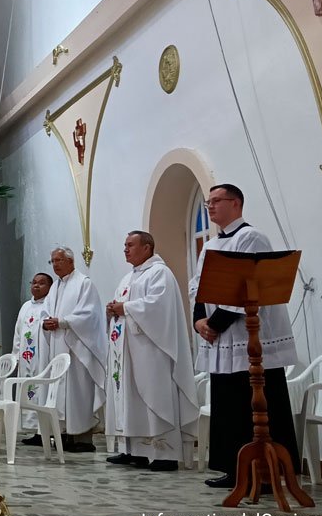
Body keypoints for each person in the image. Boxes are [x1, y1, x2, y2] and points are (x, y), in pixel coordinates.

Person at [189, 184, 300, 488]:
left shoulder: (251, 237)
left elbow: (248, 286)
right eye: (208, 202)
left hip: (248, 335)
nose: (210, 207)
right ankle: (234, 468)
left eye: (216, 201)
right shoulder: (211, 245)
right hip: (222, 338)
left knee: (255, 401)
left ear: (236, 203)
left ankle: (266, 470)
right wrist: (199, 320)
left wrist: (215, 324)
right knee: (228, 403)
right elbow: (198, 286)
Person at [103, 231, 198, 472]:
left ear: (147, 248)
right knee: (130, 398)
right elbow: (124, 309)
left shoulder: (160, 273)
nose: (125, 249)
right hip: (127, 352)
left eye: (130, 245)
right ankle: (134, 451)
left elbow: (159, 308)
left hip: (152, 351)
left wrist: (125, 307)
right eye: (124, 245)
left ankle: (164, 454)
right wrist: (113, 310)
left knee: (154, 396)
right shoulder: (127, 279)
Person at [44, 246, 107, 453]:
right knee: (60, 391)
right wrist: (45, 323)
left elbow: (90, 315)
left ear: (71, 261)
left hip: (78, 348)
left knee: (78, 391)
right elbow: (46, 311)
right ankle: (64, 435)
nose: (55, 264)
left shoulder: (84, 284)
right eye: (52, 261)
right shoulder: (55, 287)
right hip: (58, 347)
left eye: (59, 260)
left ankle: (82, 438)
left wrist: (62, 322)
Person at [13, 273, 53, 437]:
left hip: (43, 359)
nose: (36, 286)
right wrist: (16, 355)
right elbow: (18, 332)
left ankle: (44, 431)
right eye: (34, 282)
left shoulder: (51, 306)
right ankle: (33, 430)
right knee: (28, 390)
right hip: (26, 358)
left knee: (41, 390)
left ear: (50, 287)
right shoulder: (26, 306)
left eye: (42, 283)